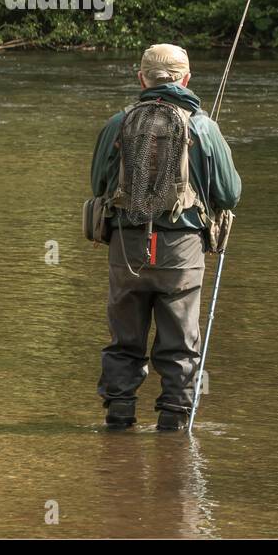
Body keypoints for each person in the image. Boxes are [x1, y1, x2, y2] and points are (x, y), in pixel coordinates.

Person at [89, 44, 241, 430]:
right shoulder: (203, 126)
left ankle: (118, 420)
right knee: (180, 344)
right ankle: (173, 430)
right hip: (181, 253)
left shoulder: (117, 124)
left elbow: (98, 185)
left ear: (142, 79)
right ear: (186, 79)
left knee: (124, 342)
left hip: (127, 248)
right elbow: (230, 194)